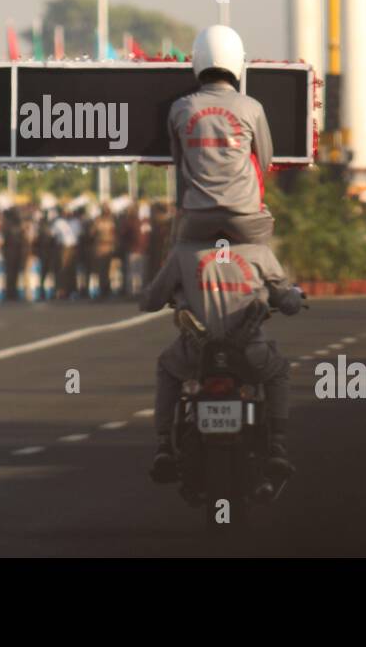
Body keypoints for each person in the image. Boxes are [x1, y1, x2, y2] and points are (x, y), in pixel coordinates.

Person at [140, 239, 303, 482]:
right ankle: (277, 444)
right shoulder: (259, 252)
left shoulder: (184, 252)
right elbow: (289, 303)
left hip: (197, 352)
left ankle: (164, 444)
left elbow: (152, 300)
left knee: (167, 367)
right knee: (278, 372)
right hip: (250, 350)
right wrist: (294, 298)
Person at [168, 25, 275, 245]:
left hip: (197, 215)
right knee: (264, 260)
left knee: (177, 259)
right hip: (244, 214)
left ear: (197, 61)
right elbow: (265, 161)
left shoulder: (181, 108)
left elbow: (179, 161)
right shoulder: (252, 108)